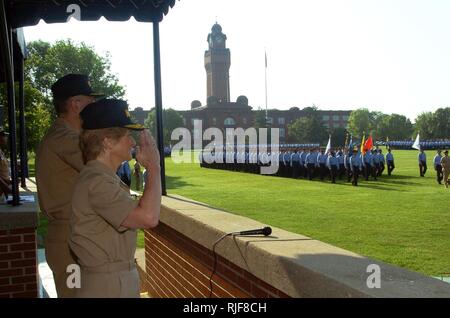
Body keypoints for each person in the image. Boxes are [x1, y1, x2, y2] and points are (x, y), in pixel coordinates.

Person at [69, 98, 161, 298]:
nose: (133, 141)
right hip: (108, 286)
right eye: (127, 135)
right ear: (108, 141)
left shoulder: (101, 178)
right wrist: (154, 167)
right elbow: (148, 217)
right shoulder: (97, 182)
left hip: (110, 281)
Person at [35, 74, 102, 297]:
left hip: (71, 235)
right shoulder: (65, 138)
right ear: (75, 105)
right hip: (70, 240)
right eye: (90, 101)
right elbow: (100, 169)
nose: (94, 106)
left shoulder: (65, 135)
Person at [0, 130, 12, 200]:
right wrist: (6, 187)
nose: (6, 138)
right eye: (3, 135)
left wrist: (9, 182)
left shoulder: (1, 151)